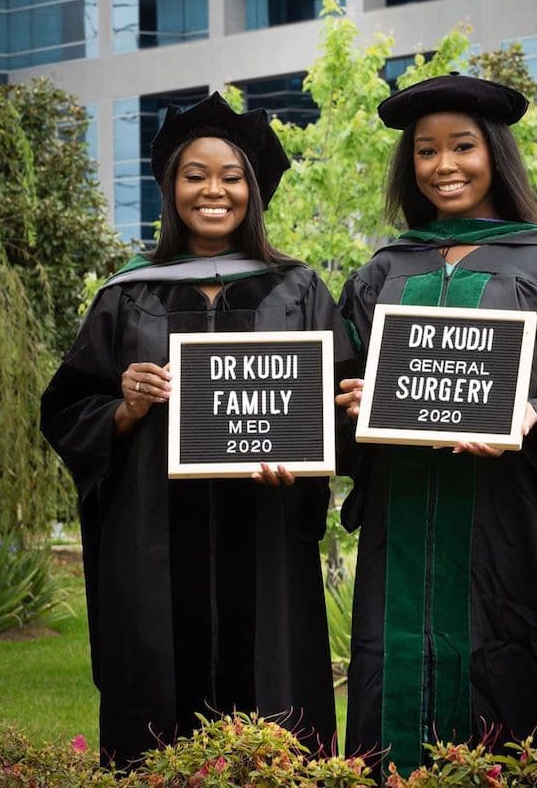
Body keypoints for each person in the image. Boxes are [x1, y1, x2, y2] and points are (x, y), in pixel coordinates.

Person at [335, 73, 537, 777]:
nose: (444, 166)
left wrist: (536, 413)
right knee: (394, 712)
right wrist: (347, 405)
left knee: (515, 705)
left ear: (494, 154)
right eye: (425, 152)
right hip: (403, 525)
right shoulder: (381, 273)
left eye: (462, 147)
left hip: (515, 535)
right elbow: (338, 395)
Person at [41, 92, 355, 768]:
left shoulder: (300, 289)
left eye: (231, 176)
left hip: (267, 540)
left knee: (272, 733)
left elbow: (339, 405)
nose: (213, 190)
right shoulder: (127, 295)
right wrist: (123, 407)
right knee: (158, 724)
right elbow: (68, 407)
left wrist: (310, 449)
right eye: (194, 175)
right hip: (155, 544)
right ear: (169, 190)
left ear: (254, 190)